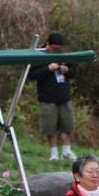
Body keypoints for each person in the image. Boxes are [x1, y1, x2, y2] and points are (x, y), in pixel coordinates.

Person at [31, 31, 75, 161]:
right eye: (54, 48)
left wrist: (67, 70)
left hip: (64, 97)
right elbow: (32, 75)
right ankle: (54, 153)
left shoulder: (64, 55)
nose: (57, 51)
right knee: (50, 128)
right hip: (47, 98)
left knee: (67, 125)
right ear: (48, 45)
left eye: (59, 49)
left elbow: (73, 72)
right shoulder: (39, 55)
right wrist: (48, 68)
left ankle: (67, 151)